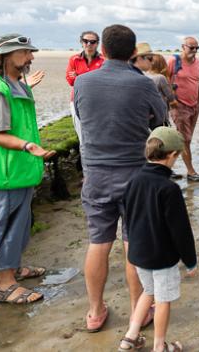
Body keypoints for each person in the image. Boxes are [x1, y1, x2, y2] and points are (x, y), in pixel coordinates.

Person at [73, 24, 167, 332]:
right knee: (133, 243)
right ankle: (137, 310)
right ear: (133, 52)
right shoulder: (144, 85)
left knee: (98, 242)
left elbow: (82, 120)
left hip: (96, 173)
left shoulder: (83, 83)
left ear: (103, 50)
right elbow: (162, 123)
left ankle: (95, 311)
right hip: (135, 174)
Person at [0, 33, 56, 304]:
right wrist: (29, 146)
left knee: (20, 224)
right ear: (6, 55)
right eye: (25, 52)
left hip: (17, 171)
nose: (31, 57)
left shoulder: (14, 83)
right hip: (1, 173)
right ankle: (4, 285)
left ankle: (13, 268)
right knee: (4, 226)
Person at [120, 127, 197, 352]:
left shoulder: (133, 180)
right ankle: (159, 346)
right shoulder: (169, 188)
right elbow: (180, 230)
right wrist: (190, 260)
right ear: (172, 155)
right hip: (162, 257)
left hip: (138, 253)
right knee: (163, 299)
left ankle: (130, 337)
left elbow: (128, 215)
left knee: (148, 291)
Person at [167, 37, 199, 182]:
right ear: (183, 47)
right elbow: (165, 81)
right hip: (179, 105)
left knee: (183, 139)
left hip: (194, 105)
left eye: (197, 48)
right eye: (191, 48)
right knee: (185, 140)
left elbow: (197, 83)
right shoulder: (173, 61)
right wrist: (173, 101)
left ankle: (166, 168)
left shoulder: (198, 63)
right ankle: (191, 172)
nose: (194, 51)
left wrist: (198, 103)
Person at [65, 31, 104, 144]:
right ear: (81, 42)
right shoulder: (74, 59)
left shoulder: (103, 60)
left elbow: (102, 82)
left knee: (97, 132)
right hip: (77, 99)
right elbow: (71, 81)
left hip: (97, 101)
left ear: (97, 44)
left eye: (92, 42)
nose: (89, 44)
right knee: (81, 134)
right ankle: (85, 160)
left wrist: (79, 77)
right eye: (85, 41)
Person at [134, 43, 175, 125]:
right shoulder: (160, 78)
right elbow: (171, 98)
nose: (151, 61)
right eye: (150, 58)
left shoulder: (140, 75)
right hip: (159, 119)